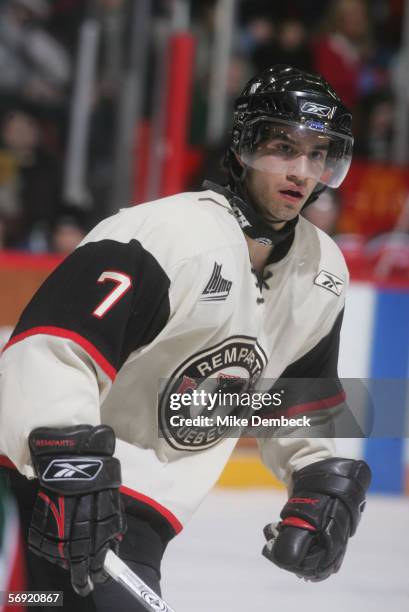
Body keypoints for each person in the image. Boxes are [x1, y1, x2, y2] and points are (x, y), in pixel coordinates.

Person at [0, 65, 371, 611]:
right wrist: (67, 462)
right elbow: (53, 348)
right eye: (284, 147)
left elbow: (296, 400)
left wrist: (314, 476)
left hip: (145, 520)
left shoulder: (322, 272)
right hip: (46, 494)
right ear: (245, 148)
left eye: (319, 154)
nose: (301, 170)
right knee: (34, 600)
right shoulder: (166, 235)